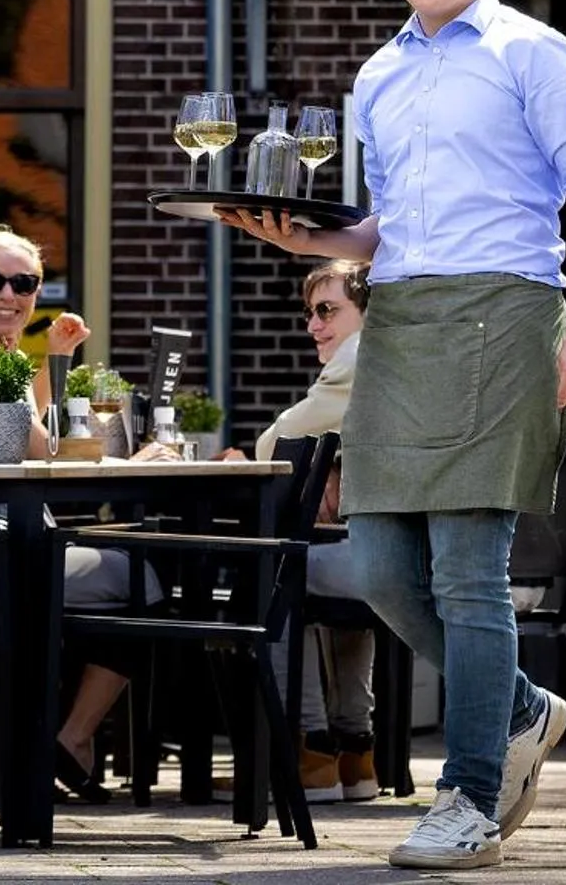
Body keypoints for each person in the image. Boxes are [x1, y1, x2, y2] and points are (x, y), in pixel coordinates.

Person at [223, 0, 566, 871]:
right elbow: (385, 229)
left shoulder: (535, 54)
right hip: (401, 320)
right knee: (376, 566)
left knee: (466, 570)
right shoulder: (378, 74)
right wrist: (305, 240)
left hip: (505, 313)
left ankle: (468, 797)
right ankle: (521, 705)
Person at [0, 225, 167, 803]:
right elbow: (39, 448)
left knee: (116, 581)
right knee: (141, 583)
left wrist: (55, 359)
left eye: (25, 284)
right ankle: (69, 740)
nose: (10, 294)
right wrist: (130, 458)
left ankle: (42, 750)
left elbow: (25, 429)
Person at [223, 260, 381, 805]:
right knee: (316, 559)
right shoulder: (400, 359)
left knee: (274, 571)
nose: (314, 325)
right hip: (403, 549)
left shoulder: (359, 358)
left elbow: (279, 442)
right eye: (310, 313)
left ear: (368, 313)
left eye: (328, 311)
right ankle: (355, 750)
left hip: (388, 562)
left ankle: (309, 748)